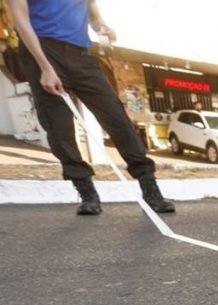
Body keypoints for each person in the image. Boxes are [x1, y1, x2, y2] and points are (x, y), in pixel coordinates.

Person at [8, 0, 175, 216]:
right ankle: (87, 194)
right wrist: (45, 67)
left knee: (117, 119)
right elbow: (21, 21)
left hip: (81, 54)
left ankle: (151, 190)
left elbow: (93, 14)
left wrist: (101, 27)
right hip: (42, 51)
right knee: (59, 128)